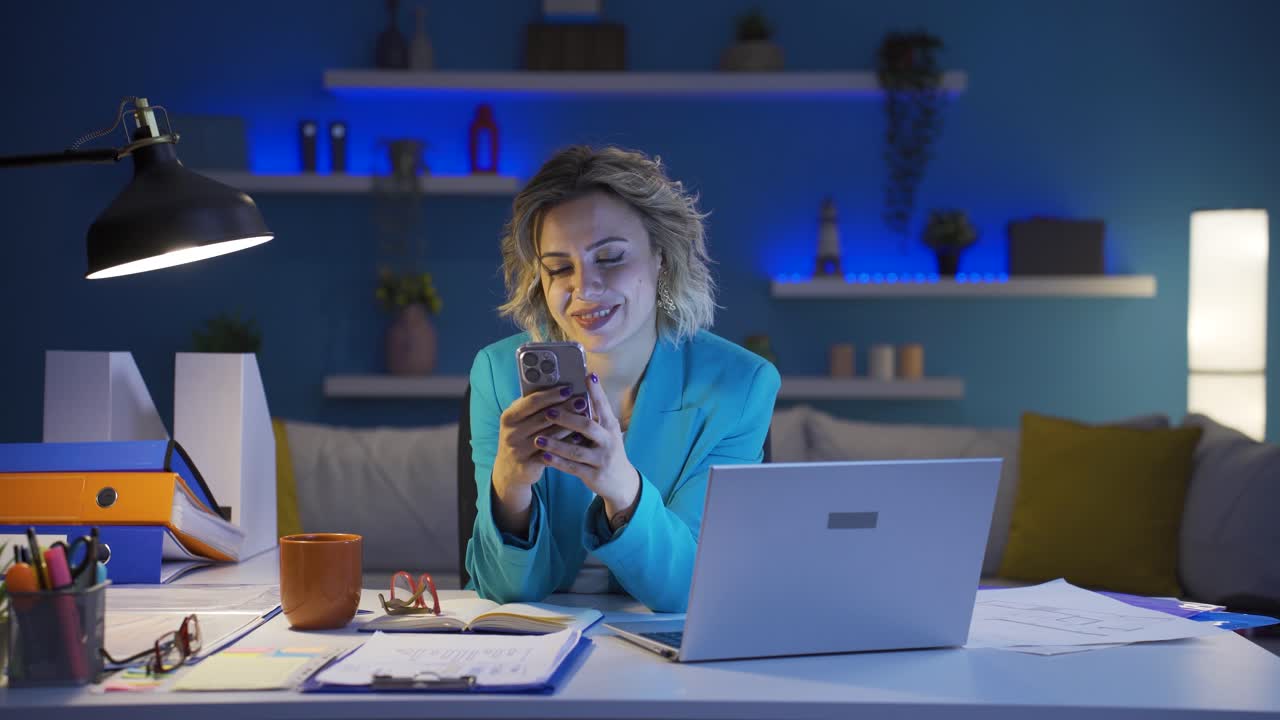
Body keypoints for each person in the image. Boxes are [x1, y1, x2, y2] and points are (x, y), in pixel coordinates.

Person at [465, 145, 780, 612]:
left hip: (671, 653)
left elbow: (689, 590)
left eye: (610, 258)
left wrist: (621, 487)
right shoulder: (499, 374)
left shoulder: (740, 385)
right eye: (558, 268)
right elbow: (505, 594)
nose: (583, 288)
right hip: (543, 644)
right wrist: (510, 488)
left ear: (662, 259)